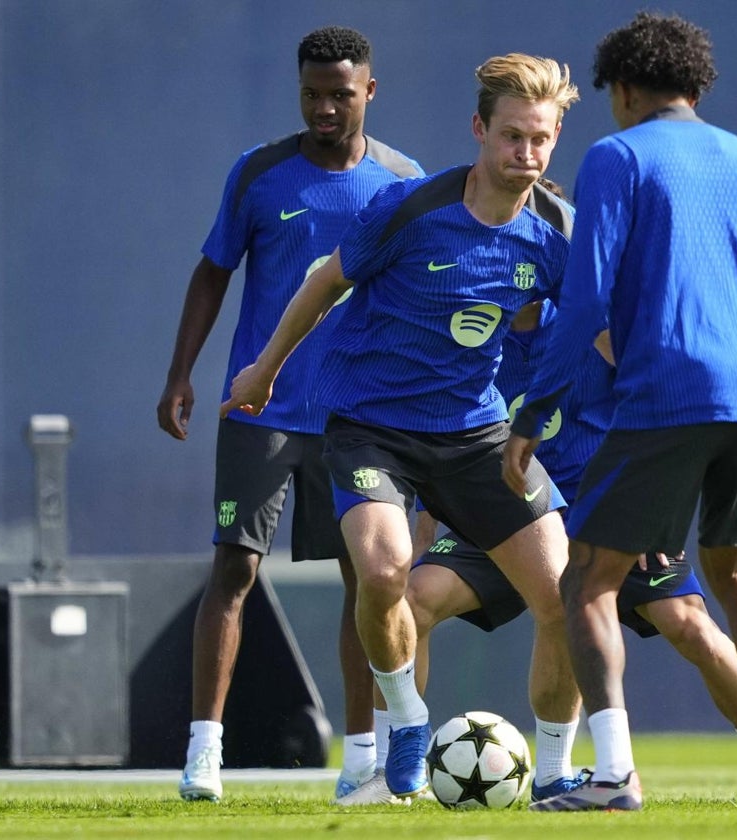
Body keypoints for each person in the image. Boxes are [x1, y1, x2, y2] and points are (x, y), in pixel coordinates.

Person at [219, 53, 584, 803]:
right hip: (370, 427)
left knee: (566, 600)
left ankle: (554, 774)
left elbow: (589, 335)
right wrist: (264, 370)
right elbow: (325, 282)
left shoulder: (557, 233)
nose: (527, 154)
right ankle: (409, 723)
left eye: (541, 140)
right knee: (385, 573)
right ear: (479, 129)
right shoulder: (411, 208)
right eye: (512, 136)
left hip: (475, 436)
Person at [504, 11, 737, 812]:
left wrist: (536, 407)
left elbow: (586, 298)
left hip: (668, 393)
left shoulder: (617, 156)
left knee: (587, 581)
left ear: (628, 88)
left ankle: (611, 776)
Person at [344, 289, 737, 806]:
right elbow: (447, 432)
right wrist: (430, 516)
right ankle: (395, 774)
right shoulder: (473, 329)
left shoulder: (598, 327)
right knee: (412, 600)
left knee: (692, 627)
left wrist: (652, 511)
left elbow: (660, 412)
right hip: (504, 512)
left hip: (607, 515)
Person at [157, 25, 423, 803]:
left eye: (341, 94)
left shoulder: (403, 182)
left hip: (361, 419)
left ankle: (362, 759)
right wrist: (182, 375)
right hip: (262, 409)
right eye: (312, 94)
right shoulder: (261, 174)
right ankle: (205, 752)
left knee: (366, 582)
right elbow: (213, 272)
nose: (325, 108)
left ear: (369, 91)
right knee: (234, 569)